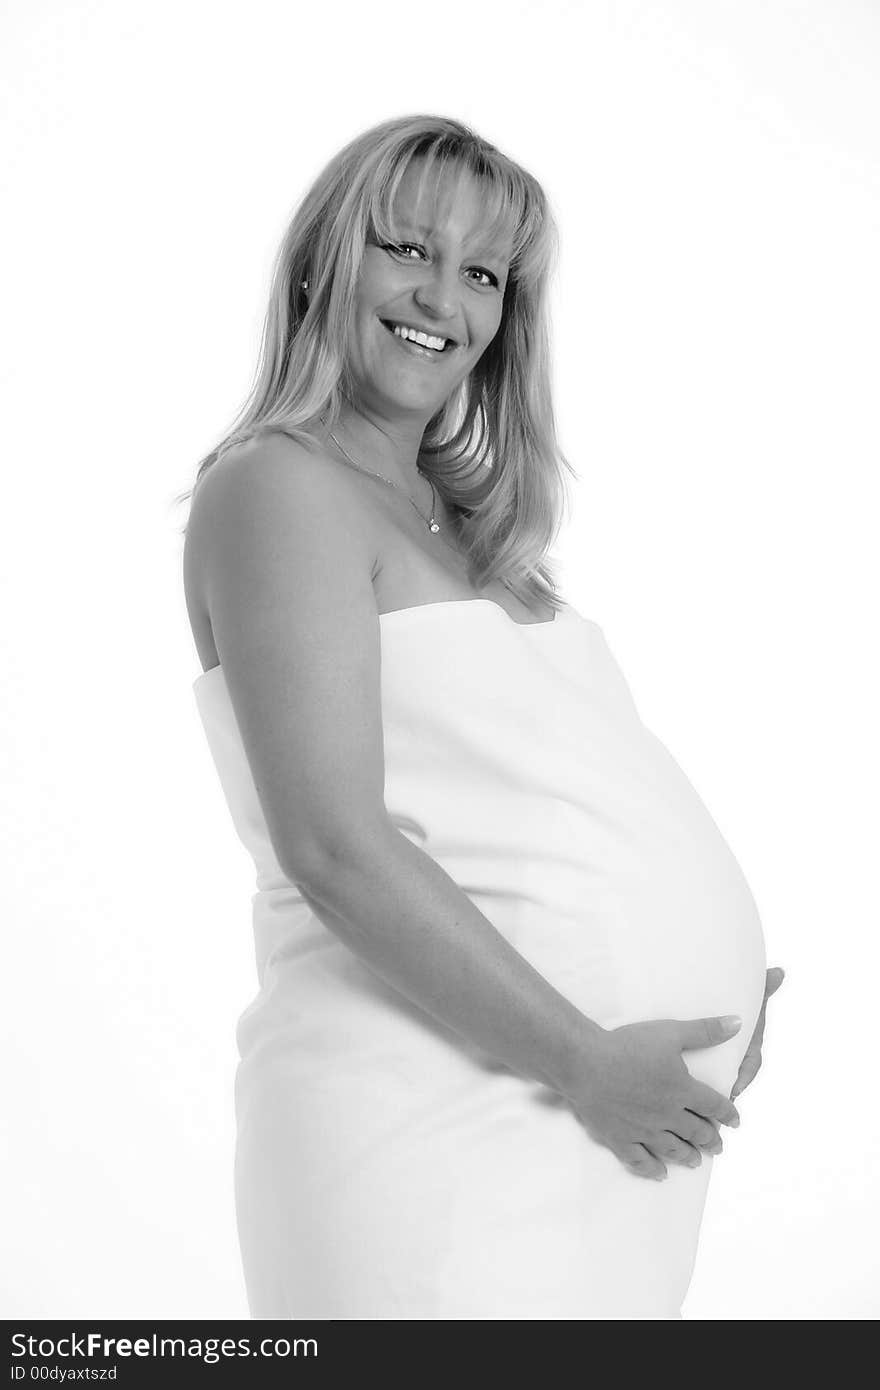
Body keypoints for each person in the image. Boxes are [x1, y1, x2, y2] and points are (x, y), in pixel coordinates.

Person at [179, 115, 784, 1319]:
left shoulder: (470, 528)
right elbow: (336, 850)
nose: (441, 297)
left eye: (482, 273)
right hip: (430, 1121)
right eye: (407, 248)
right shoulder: (279, 488)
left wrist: (714, 990)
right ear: (323, 260)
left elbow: (527, 795)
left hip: (585, 1132)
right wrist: (583, 1052)